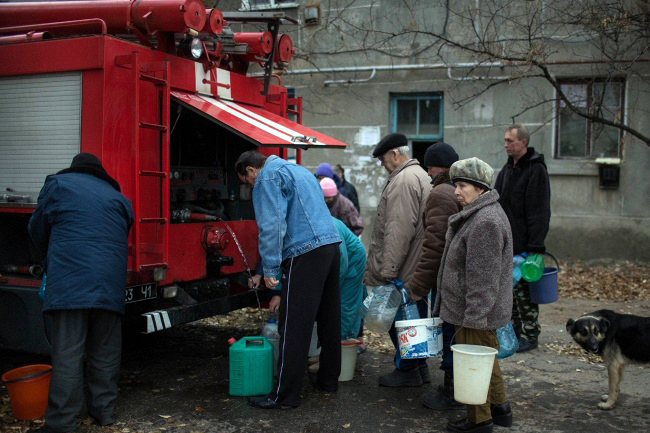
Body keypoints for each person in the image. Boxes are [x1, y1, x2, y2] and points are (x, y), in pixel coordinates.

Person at [28, 153, 134, 433]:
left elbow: (36, 229)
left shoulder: (58, 185)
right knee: (106, 350)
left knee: (68, 352)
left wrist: (50, 256)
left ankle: (61, 423)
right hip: (110, 282)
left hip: (70, 281)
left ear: (74, 169)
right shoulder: (120, 199)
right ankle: (104, 412)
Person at [236, 150, 342, 409]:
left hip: (304, 251)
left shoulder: (267, 177)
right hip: (330, 246)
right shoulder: (299, 171)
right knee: (329, 319)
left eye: (247, 181)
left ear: (250, 170)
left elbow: (272, 225)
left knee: (293, 325)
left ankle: (284, 396)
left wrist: (270, 269)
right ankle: (328, 381)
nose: (250, 186)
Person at [435, 157, 513, 433]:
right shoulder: (481, 214)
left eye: (463, 186)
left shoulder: (485, 222)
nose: (456, 191)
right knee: (486, 358)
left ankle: (479, 420)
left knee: (473, 365)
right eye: (455, 185)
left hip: (475, 312)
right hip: (476, 310)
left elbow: (483, 278)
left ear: (480, 189)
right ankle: (500, 408)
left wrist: (474, 317)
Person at [363, 132, 432, 387]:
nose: (382, 164)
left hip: (404, 267)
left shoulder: (403, 180)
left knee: (402, 319)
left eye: (383, 159)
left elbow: (398, 230)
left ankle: (407, 369)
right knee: (414, 316)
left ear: (395, 154)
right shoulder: (418, 174)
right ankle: (419, 366)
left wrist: (389, 269)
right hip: (415, 262)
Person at [405, 142, 464, 410]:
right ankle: (459, 389)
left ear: (439, 167)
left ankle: (452, 393)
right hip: (460, 275)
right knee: (458, 333)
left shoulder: (441, 193)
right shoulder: (459, 188)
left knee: (450, 330)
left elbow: (435, 245)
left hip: (448, 278)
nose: (427, 173)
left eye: (429, 167)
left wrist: (419, 284)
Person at [494, 124, 551, 353]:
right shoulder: (507, 169)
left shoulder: (535, 170)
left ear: (523, 142)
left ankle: (531, 333)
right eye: (505, 140)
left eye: (510, 141)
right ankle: (516, 331)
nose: (506, 144)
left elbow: (540, 212)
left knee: (525, 293)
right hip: (507, 243)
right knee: (509, 291)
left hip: (526, 245)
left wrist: (536, 246)